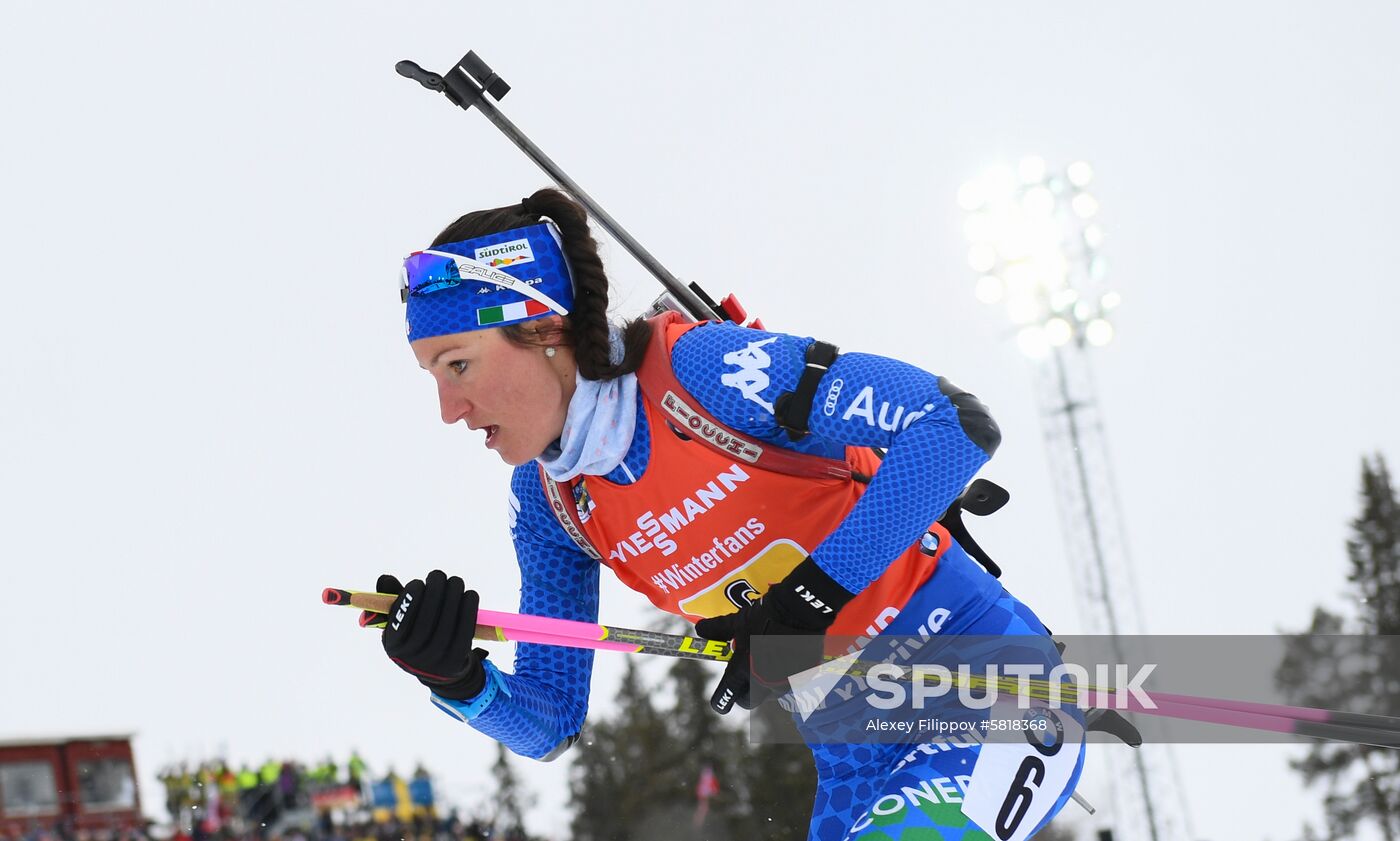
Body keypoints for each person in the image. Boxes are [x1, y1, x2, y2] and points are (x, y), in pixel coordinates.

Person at [367, 187, 1085, 840]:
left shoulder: (698, 373)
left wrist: (811, 595)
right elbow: (550, 721)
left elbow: (952, 425)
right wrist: (458, 678)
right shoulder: (552, 502)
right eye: (432, 376)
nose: (448, 410)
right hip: (857, 764)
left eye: (457, 364)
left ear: (543, 329)